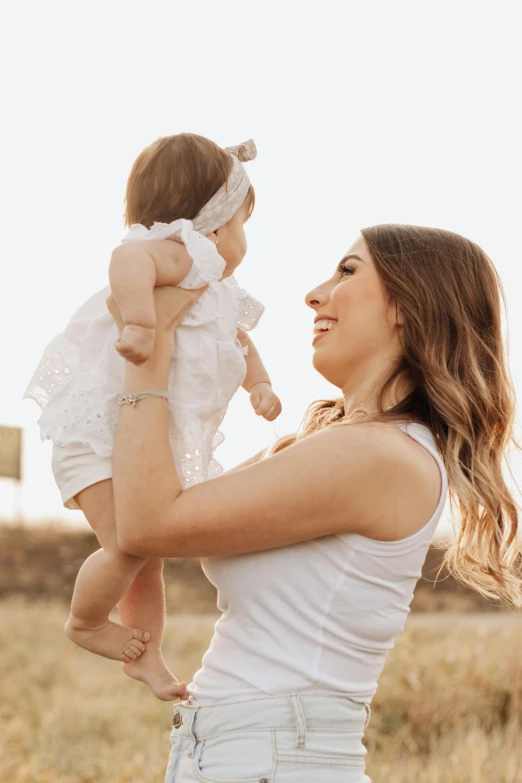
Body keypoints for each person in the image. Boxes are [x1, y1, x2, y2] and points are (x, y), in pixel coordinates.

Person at [107, 224, 521, 783]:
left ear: (408, 305)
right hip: (244, 752)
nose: (315, 294)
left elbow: (147, 524)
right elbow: (159, 502)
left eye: (348, 271)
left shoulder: (377, 456)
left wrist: (146, 346)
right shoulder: (337, 444)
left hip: (273, 758)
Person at [23, 133, 281, 701]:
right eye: (242, 223)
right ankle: (86, 623)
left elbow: (239, 343)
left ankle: (147, 654)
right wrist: (141, 323)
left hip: (138, 441)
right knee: (128, 546)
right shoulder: (180, 251)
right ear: (212, 221)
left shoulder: (217, 288)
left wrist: (259, 384)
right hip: (99, 434)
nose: (242, 240)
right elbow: (127, 259)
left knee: (148, 557)